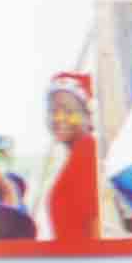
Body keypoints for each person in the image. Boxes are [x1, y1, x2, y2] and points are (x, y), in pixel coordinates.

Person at [36, 69, 100, 243]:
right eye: (53, 111)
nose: (59, 118)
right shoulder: (76, 154)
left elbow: (97, 221)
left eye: (68, 111)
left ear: (87, 116)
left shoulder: (87, 150)